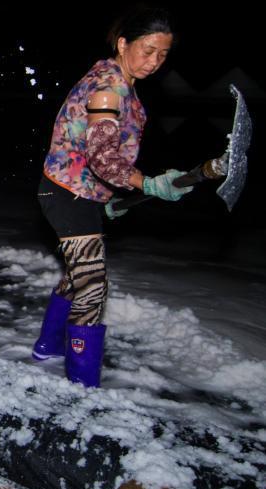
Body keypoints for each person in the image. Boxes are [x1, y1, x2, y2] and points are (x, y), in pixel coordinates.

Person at [31, 6, 192, 388]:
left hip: (80, 192)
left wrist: (107, 197)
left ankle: (47, 346)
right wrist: (148, 183)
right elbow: (103, 157)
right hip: (66, 192)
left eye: (163, 55)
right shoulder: (109, 86)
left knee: (77, 276)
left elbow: (99, 158)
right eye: (148, 50)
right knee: (92, 285)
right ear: (124, 43)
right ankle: (83, 383)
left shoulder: (122, 82)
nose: (154, 62)